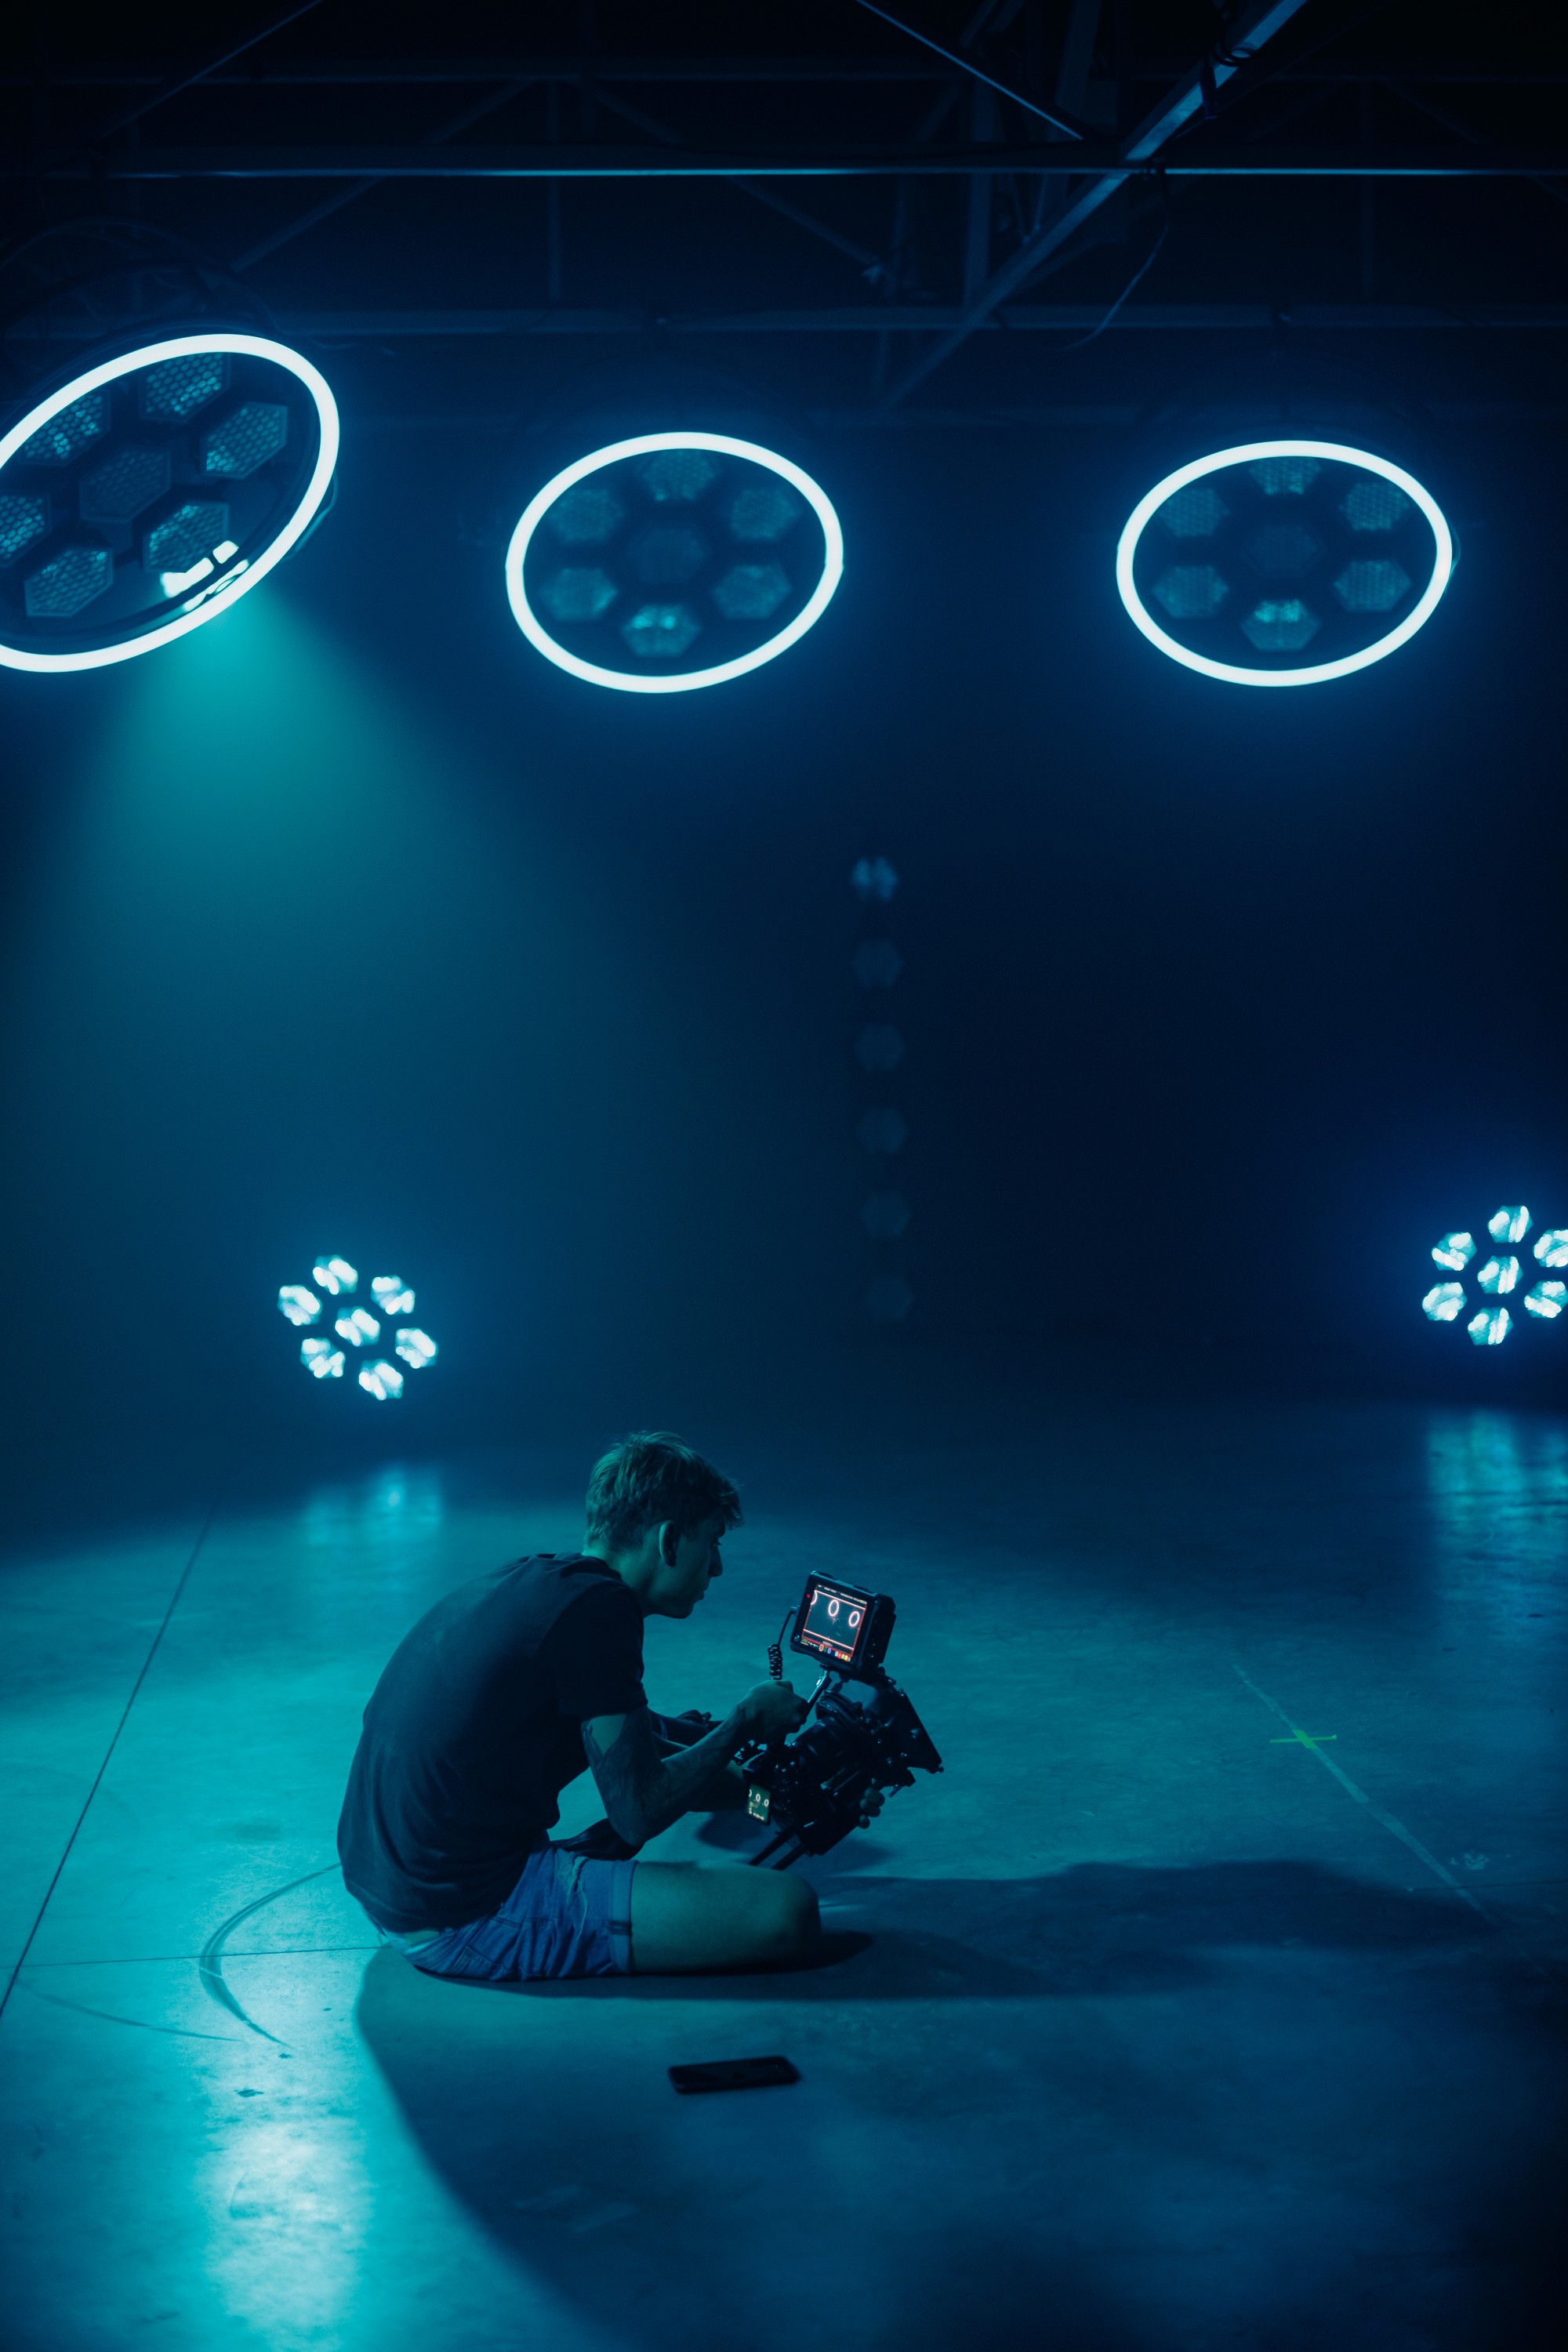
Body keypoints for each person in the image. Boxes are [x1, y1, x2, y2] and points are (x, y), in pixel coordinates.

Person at [337, 1431, 821, 1981]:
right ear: (668, 1542)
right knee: (787, 1910)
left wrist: (770, 1799)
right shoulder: (602, 1612)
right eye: (711, 1544)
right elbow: (639, 1806)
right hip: (465, 1917)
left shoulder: (544, 1584)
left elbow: (634, 1752)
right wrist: (744, 1722)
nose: (717, 1569)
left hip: (392, 1890)